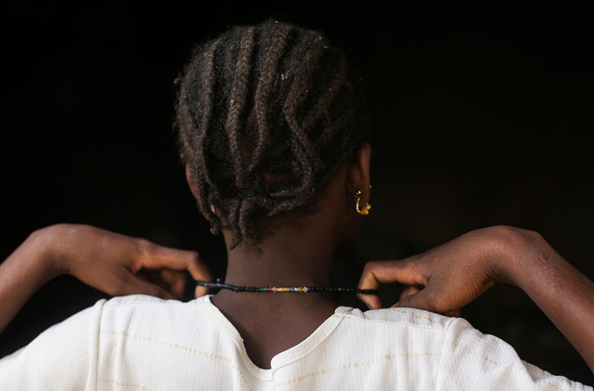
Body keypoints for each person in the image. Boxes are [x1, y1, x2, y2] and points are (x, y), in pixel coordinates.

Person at [0, 18, 592, 390]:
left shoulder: (107, 346)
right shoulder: (437, 360)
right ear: (360, 174)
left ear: (196, 185)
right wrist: (514, 251)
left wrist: (46, 249)